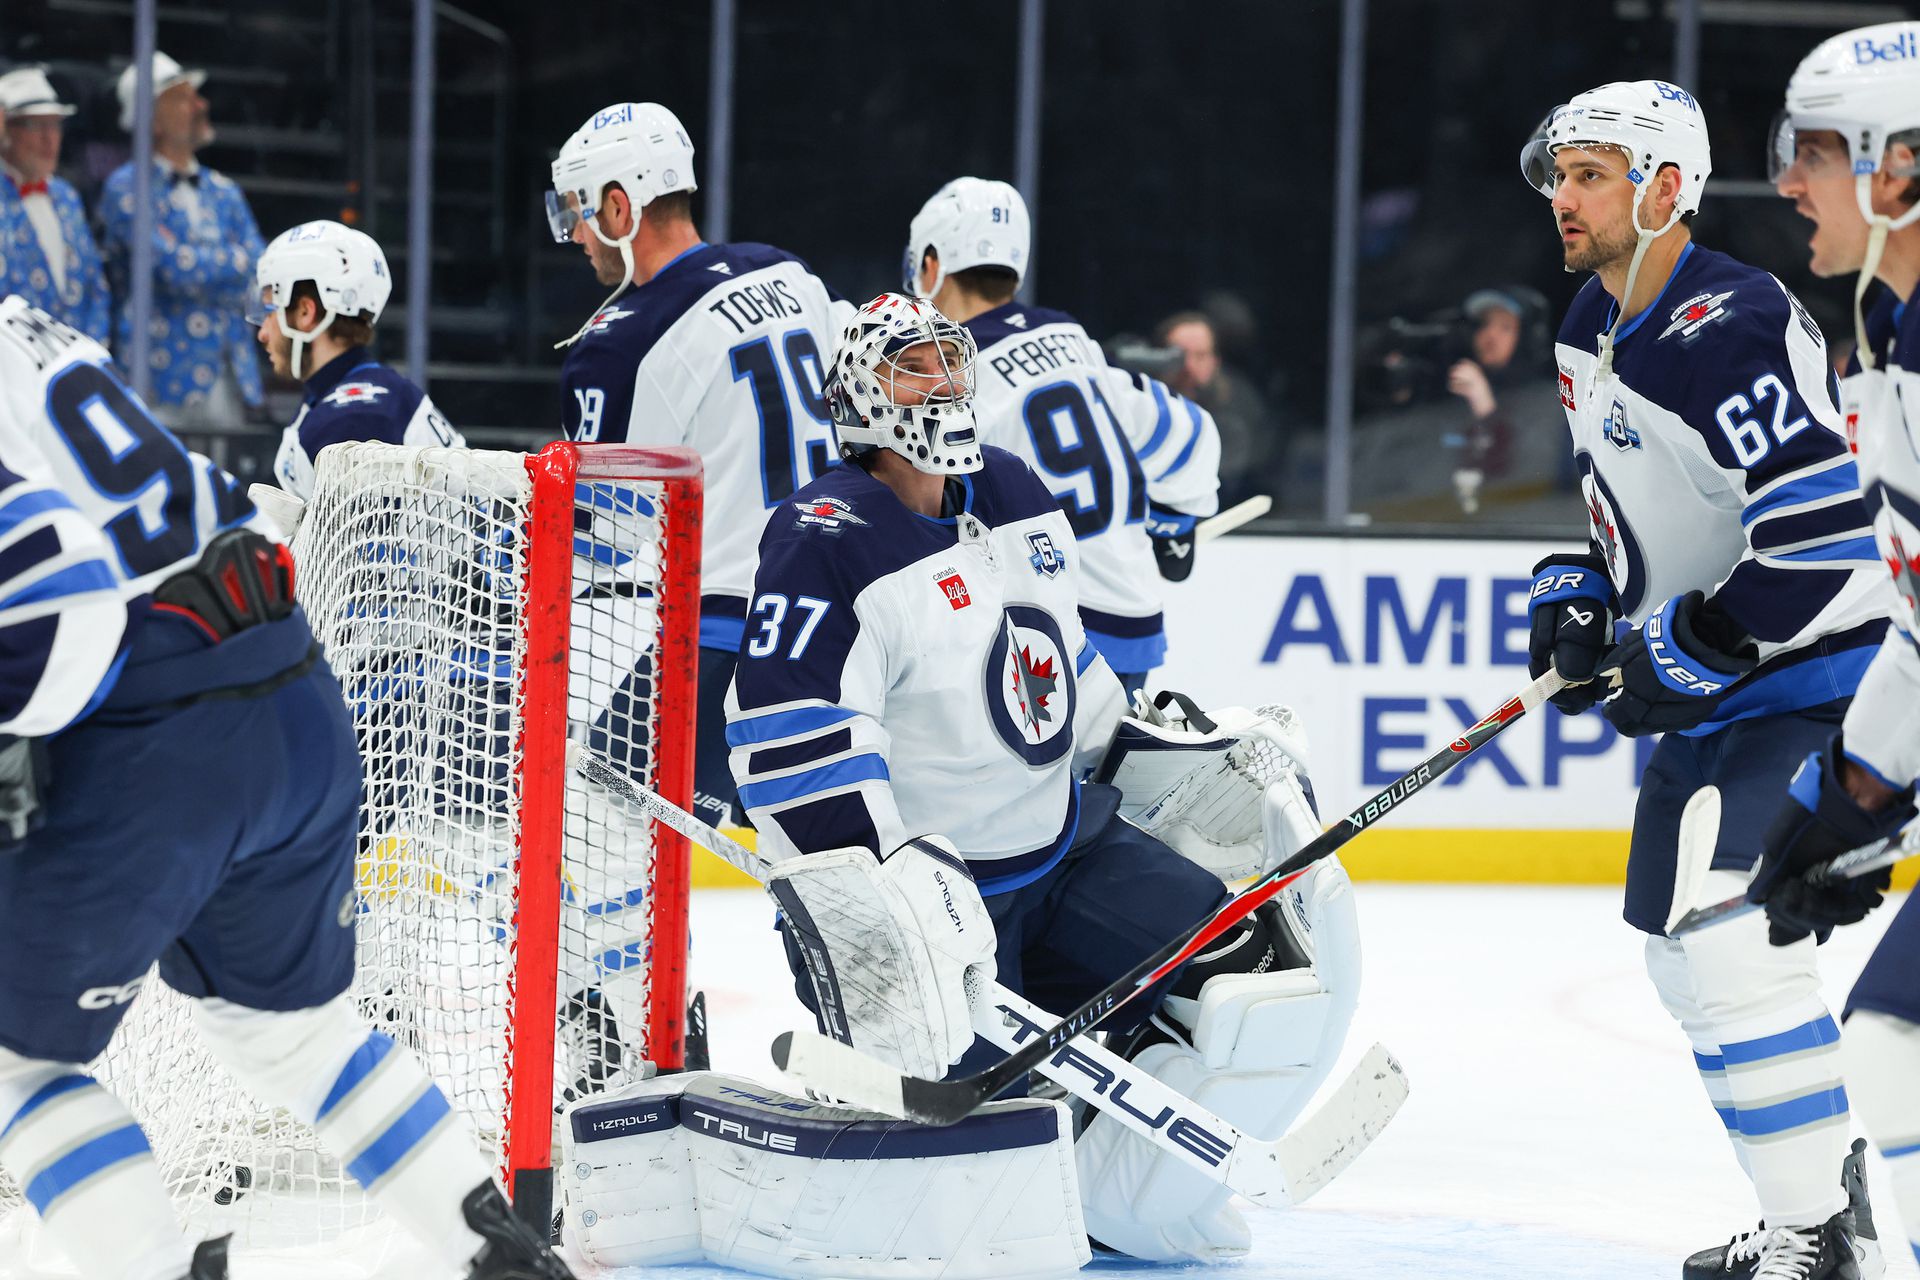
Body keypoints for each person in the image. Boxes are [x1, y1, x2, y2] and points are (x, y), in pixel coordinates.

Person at [726, 293, 1355, 1263]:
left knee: (1253, 970)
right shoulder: (825, 534)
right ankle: (1017, 1129)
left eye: (948, 360)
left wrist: (1182, 751)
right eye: (913, 367)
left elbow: (1065, 677)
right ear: (859, 395)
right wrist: (889, 891)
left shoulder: (1012, 488)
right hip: (941, 908)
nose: (944, 382)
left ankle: (1115, 1191)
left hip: (1063, 858)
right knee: (970, 1191)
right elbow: (789, 744)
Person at [0, 296, 573, 1279]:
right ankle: (501, 1256)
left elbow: (59, 589)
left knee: (16, 1060)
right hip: (292, 697)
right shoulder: (24, 325)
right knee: (296, 1036)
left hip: (162, 734)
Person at [1518, 80, 1890, 1279]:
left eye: (1591, 175)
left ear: (1667, 187)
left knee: (1733, 939)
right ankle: (1801, 1223)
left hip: (1817, 669)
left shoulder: (1725, 321)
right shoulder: (1590, 317)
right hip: (1726, 681)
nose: (1563, 198)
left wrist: (1697, 644)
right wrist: (1584, 590)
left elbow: (1826, 534)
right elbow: (1640, 503)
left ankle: (1833, 1239)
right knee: (1683, 952)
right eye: (1559, 175)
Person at [546, 100, 848, 830]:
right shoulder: (792, 275)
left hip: (733, 639)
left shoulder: (621, 344)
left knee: (597, 810)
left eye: (580, 213)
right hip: (847, 617)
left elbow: (601, 541)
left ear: (620, 207)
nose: (576, 236)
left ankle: (622, 953)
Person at [1746, 22, 1920, 1276]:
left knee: (1905, 1043)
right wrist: (1861, 786)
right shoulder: (1884, 338)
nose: (1789, 181)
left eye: (1811, 151)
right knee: (1900, 1041)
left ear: (1900, 166)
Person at [903, 178, 1220, 698]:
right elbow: (1189, 432)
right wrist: (1175, 527)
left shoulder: (950, 373)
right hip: (1133, 625)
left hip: (1049, 633)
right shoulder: (1072, 341)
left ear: (932, 264)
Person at [100, 51, 265, 430]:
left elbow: (261, 265)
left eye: (197, 95)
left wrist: (212, 264)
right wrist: (233, 263)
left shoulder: (225, 190)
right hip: (156, 380)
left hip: (227, 378)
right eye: (182, 97)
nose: (200, 105)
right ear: (152, 119)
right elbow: (169, 268)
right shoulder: (126, 187)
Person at [248, 219, 461, 500]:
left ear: (304, 313)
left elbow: (371, 543)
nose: (263, 333)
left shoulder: (353, 420)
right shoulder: (356, 394)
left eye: (270, 310)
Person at [0, 67, 109, 343]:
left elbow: (94, 283)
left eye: (56, 125)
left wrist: (89, 348)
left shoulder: (66, 196)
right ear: (5, 130)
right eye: (35, 126)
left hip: (72, 364)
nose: (49, 139)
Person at [1156, 308, 1275, 508]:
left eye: (1200, 356)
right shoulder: (1134, 410)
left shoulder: (1241, 408)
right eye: (1176, 356)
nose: (1188, 367)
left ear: (1215, 361)